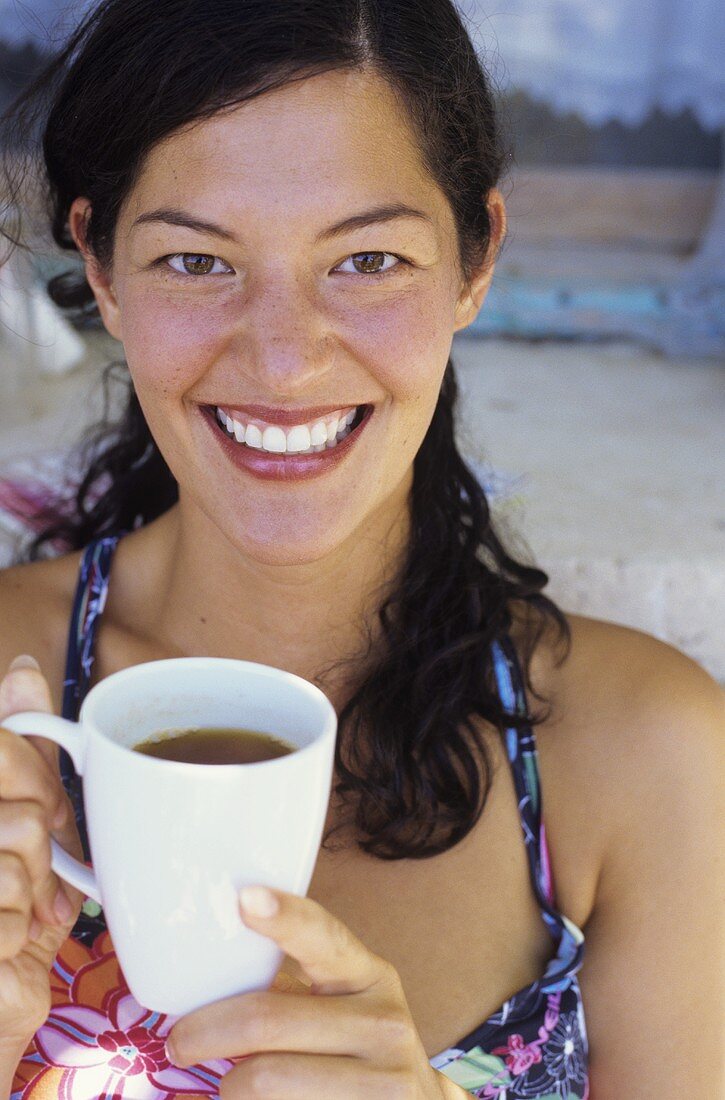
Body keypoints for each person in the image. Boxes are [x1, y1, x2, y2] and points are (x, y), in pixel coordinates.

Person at [0, 1, 722, 1097]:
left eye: (367, 258)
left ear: (474, 262)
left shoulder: (648, 755)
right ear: (101, 271)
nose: (283, 360)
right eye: (195, 262)